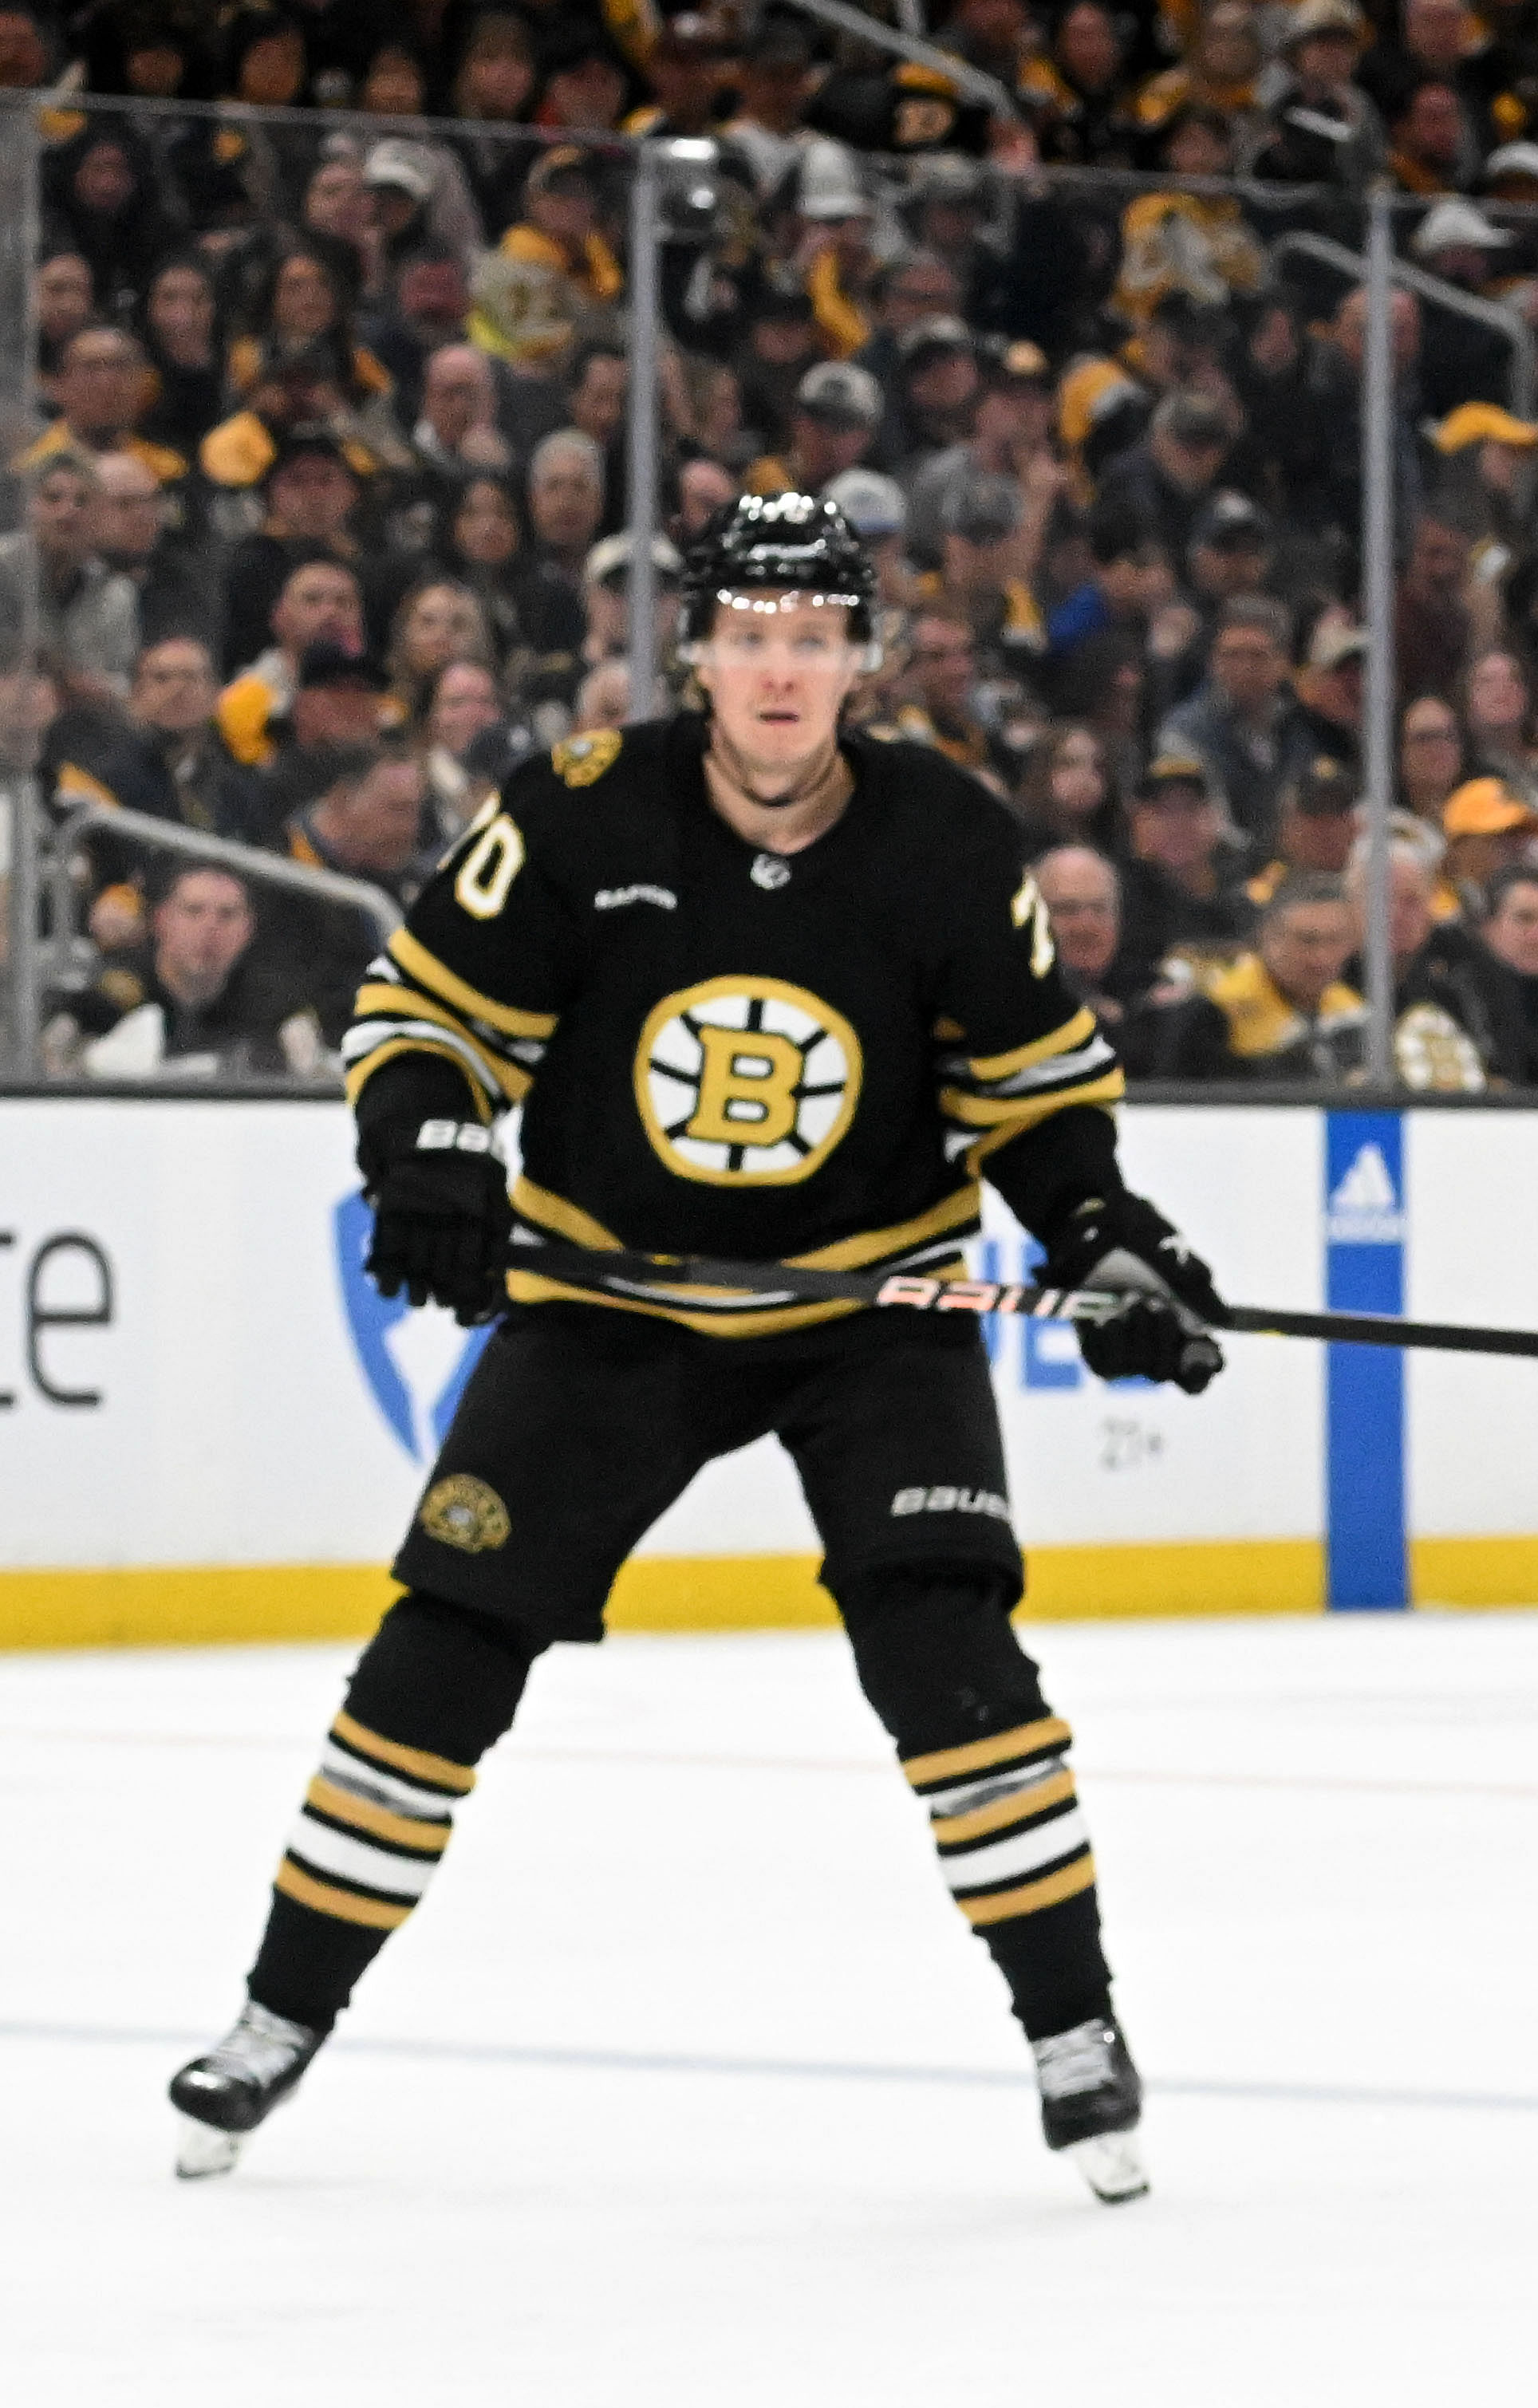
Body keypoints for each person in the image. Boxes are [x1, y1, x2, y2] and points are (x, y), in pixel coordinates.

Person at [164, 494, 1224, 2205]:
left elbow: (1030, 1103)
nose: (782, 669)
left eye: (815, 638)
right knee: (443, 1646)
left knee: (942, 1646)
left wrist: (1103, 1233)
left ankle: (1073, 2028)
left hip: (870, 1309)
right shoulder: (583, 808)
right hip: (609, 1304)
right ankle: (275, 2014)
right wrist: (429, 1149)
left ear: (859, 660)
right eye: (751, 636)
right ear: (699, 655)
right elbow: (420, 1019)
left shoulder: (945, 836)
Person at [83, 863, 332, 1079]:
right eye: (193, 911)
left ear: (248, 929)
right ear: (160, 920)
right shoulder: (110, 994)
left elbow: (311, 1075)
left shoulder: (278, 1005)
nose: (210, 927)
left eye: (227, 915)